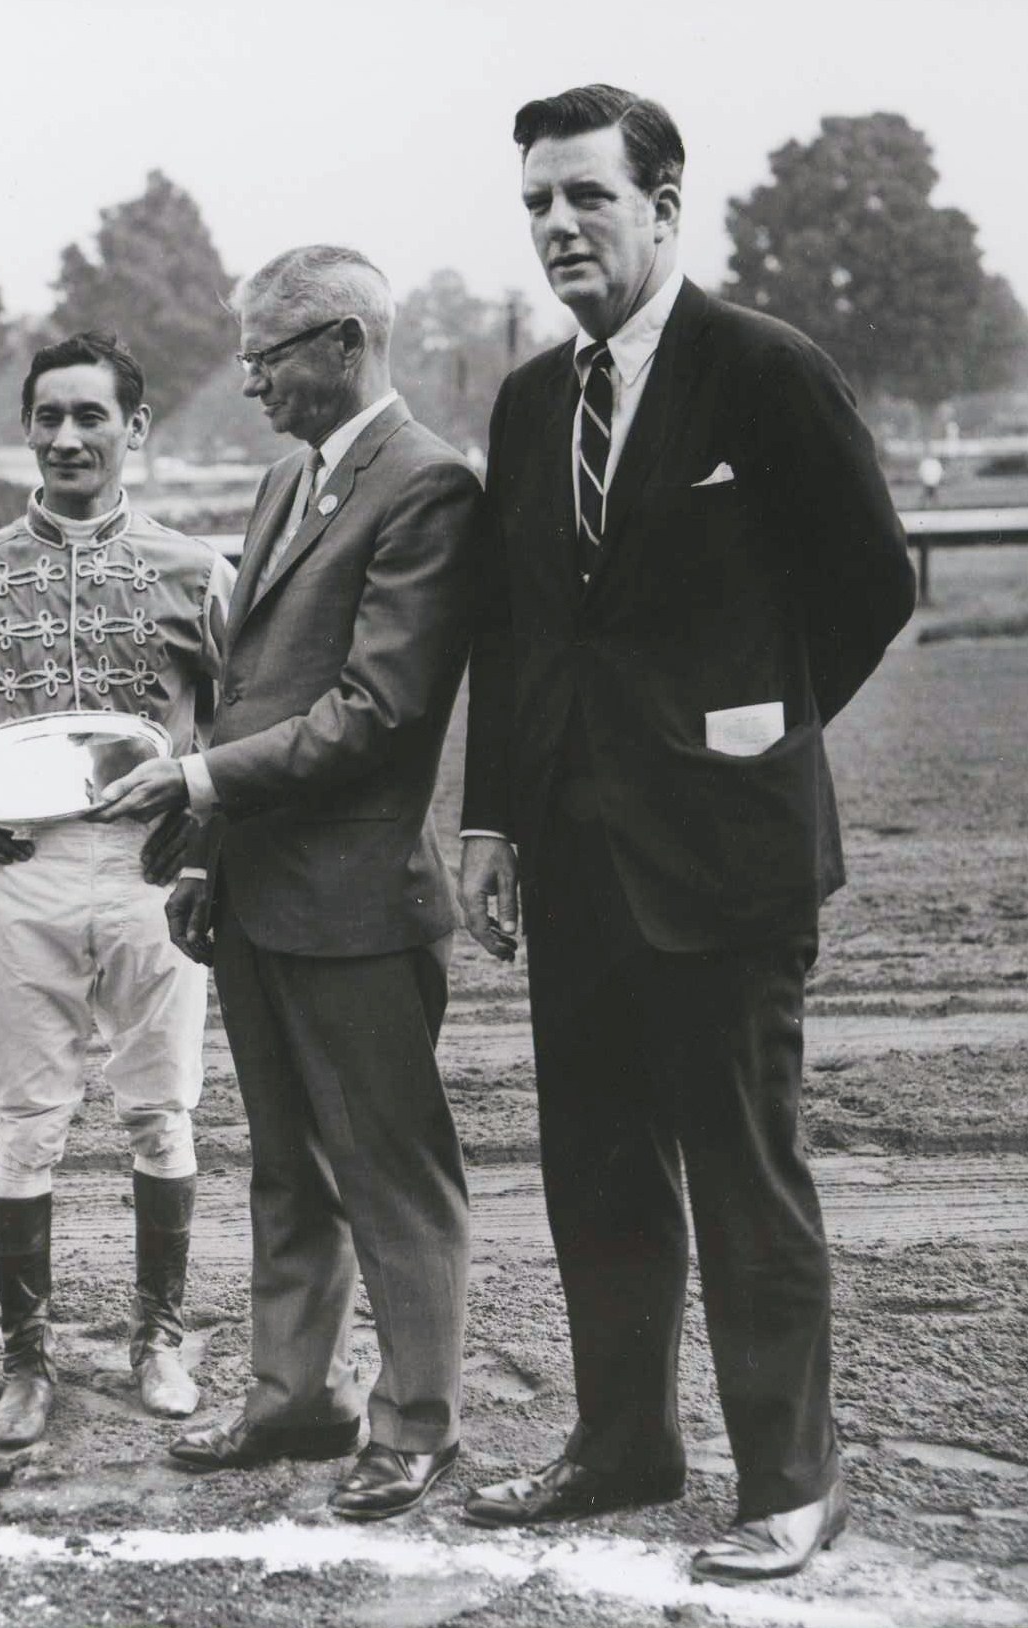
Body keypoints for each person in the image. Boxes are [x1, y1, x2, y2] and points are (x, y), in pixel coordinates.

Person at [457, 86, 915, 1580]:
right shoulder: (530, 403)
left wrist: (750, 735)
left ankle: (791, 1479)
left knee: (743, 1165)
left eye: (587, 196)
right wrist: (491, 824)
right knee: (597, 1164)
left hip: (728, 858)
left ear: (663, 205)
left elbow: (872, 582)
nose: (558, 227)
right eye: (537, 203)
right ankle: (622, 1444)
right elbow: (517, 636)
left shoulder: (764, 371)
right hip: (574, 857)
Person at [93, 246, 481, 1522]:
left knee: (390, 1169)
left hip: (362, 899)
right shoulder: (284, 479)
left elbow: (373, 710)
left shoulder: (426, 485)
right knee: (284, 1166)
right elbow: (259, 687)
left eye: (266, 353)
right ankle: (292, 1395)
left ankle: (415, 1421)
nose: (248, 378)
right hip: (261, 891)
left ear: (347, 341)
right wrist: (209, 851)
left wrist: (196, 787)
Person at [0, 331, 233, 1450]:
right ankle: (27, 1360)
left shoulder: (197, 570)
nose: (66, 438)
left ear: (133, 429)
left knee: (160, 1106)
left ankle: (159, 1334)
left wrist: (205, 846)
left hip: (153, 872)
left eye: (91, 416)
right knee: (25, 1122)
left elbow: (245, 717)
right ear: (25, 428)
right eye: (48, 416)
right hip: (31, 871)